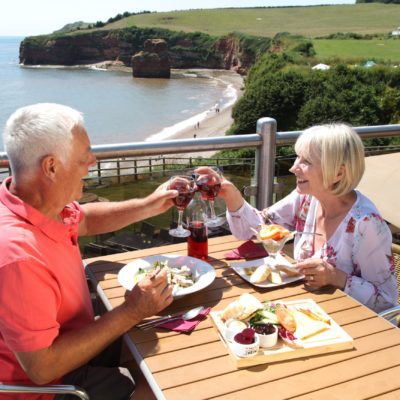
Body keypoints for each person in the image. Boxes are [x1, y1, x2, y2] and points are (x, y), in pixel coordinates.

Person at [0, 103, 178, 400]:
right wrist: (132, 309)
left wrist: (149, 204)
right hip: (49, 387)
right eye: (84, 158)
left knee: (163, 341)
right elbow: (42, 368)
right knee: (163, 389)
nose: (93, 162)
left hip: (73, 341)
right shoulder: (18, 255)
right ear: (51, 167)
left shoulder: (34, 203)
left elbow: (87, 219)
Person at [197, 123, 397, 313]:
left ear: (338, 172)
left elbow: (386, 302)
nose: (293, 168)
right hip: (308, 310)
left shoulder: (367, 224)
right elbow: (256, 231)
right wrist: (232, 195)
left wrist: (336, 277)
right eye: (297, 158)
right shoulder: (306, 198)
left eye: (306, 161)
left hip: (354, 327)